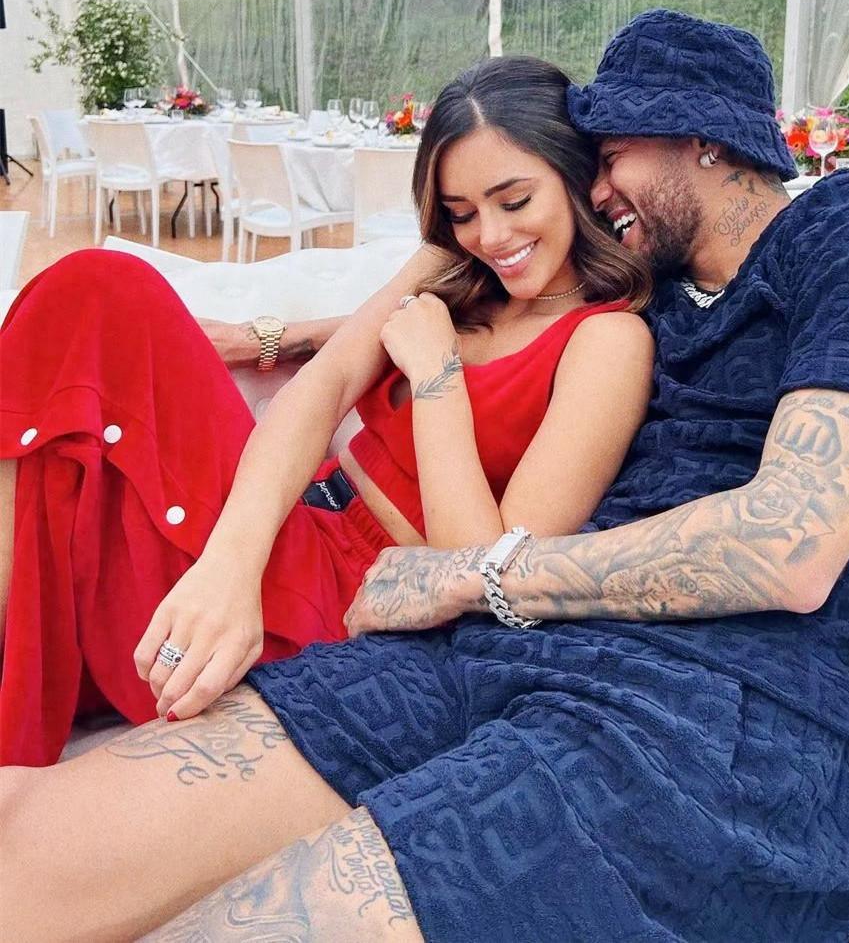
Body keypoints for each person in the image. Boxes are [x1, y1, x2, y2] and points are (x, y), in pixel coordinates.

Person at [0, 10, 849, 943]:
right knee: (39, 851)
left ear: (703, 138)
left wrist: (469, 575)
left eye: (610, 155)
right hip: (491, 655)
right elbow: (498, 307)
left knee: (257, 925)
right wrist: (304, 331)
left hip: (717, 719)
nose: (594, 187)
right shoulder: (655, 286)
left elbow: (790, 545)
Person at [0, 56, 654, 767]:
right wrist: (229, 569)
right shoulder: (451, 268)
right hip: (281, 517)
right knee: (96, 292)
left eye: (515, 201)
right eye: (462, 212)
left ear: (575, 177)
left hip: (354, 593)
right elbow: (323, 387)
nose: (490, 237)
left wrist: (436, 375)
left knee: (97, 304)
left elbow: (485, 575)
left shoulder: (609, 342)